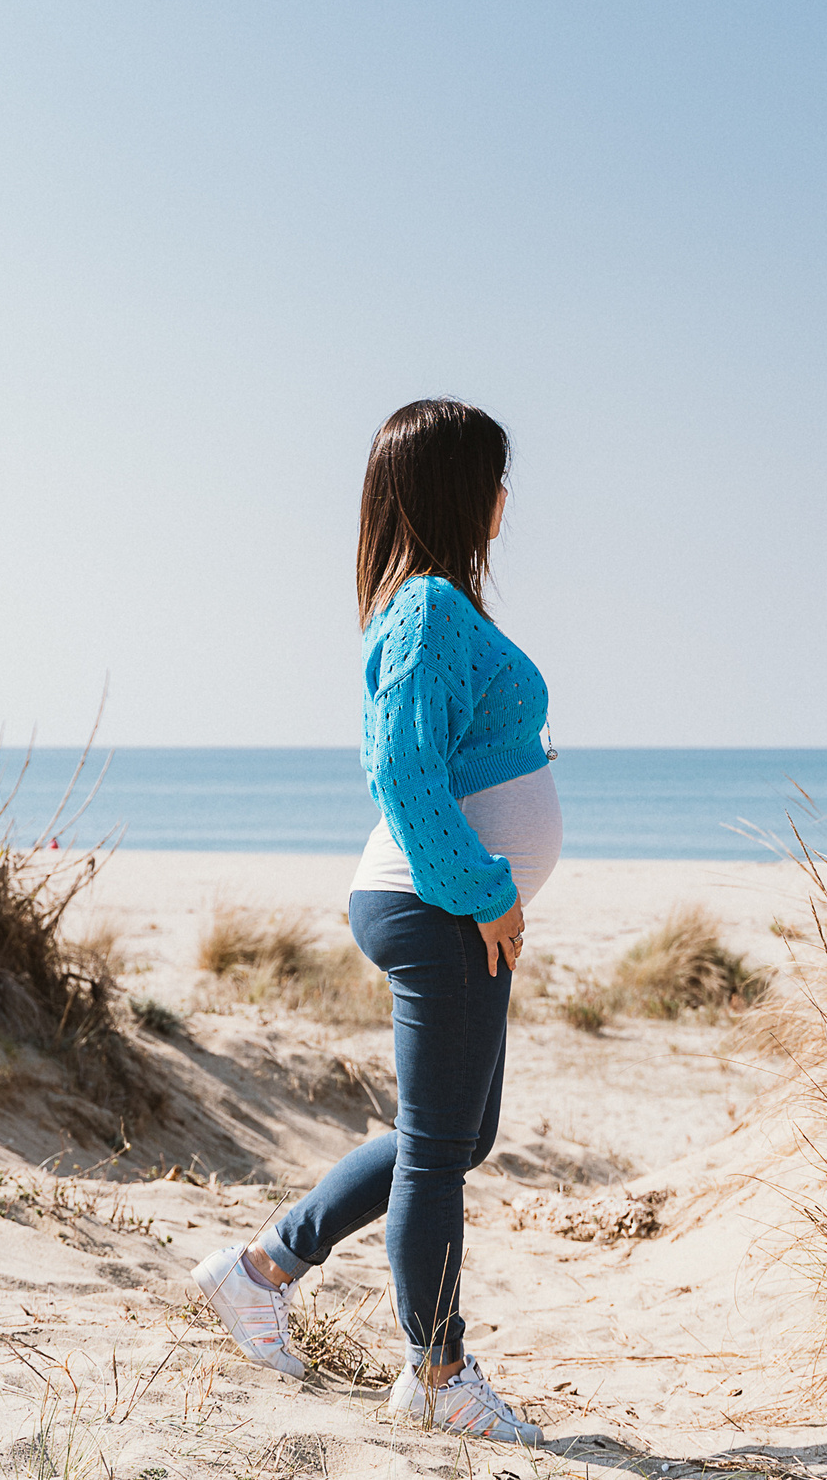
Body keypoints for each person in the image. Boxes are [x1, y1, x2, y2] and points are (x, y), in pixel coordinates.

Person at [192, 398, 560, 1445]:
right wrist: (487, 889)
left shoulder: (443, 611)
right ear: (456, 490)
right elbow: (401, 770)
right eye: (493, 475)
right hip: (433, 899)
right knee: (439, 1150)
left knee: (446, 1137)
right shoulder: (430, 608)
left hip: (447, 900)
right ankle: (437, 1374)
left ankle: (259, 1269)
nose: (505, 498)